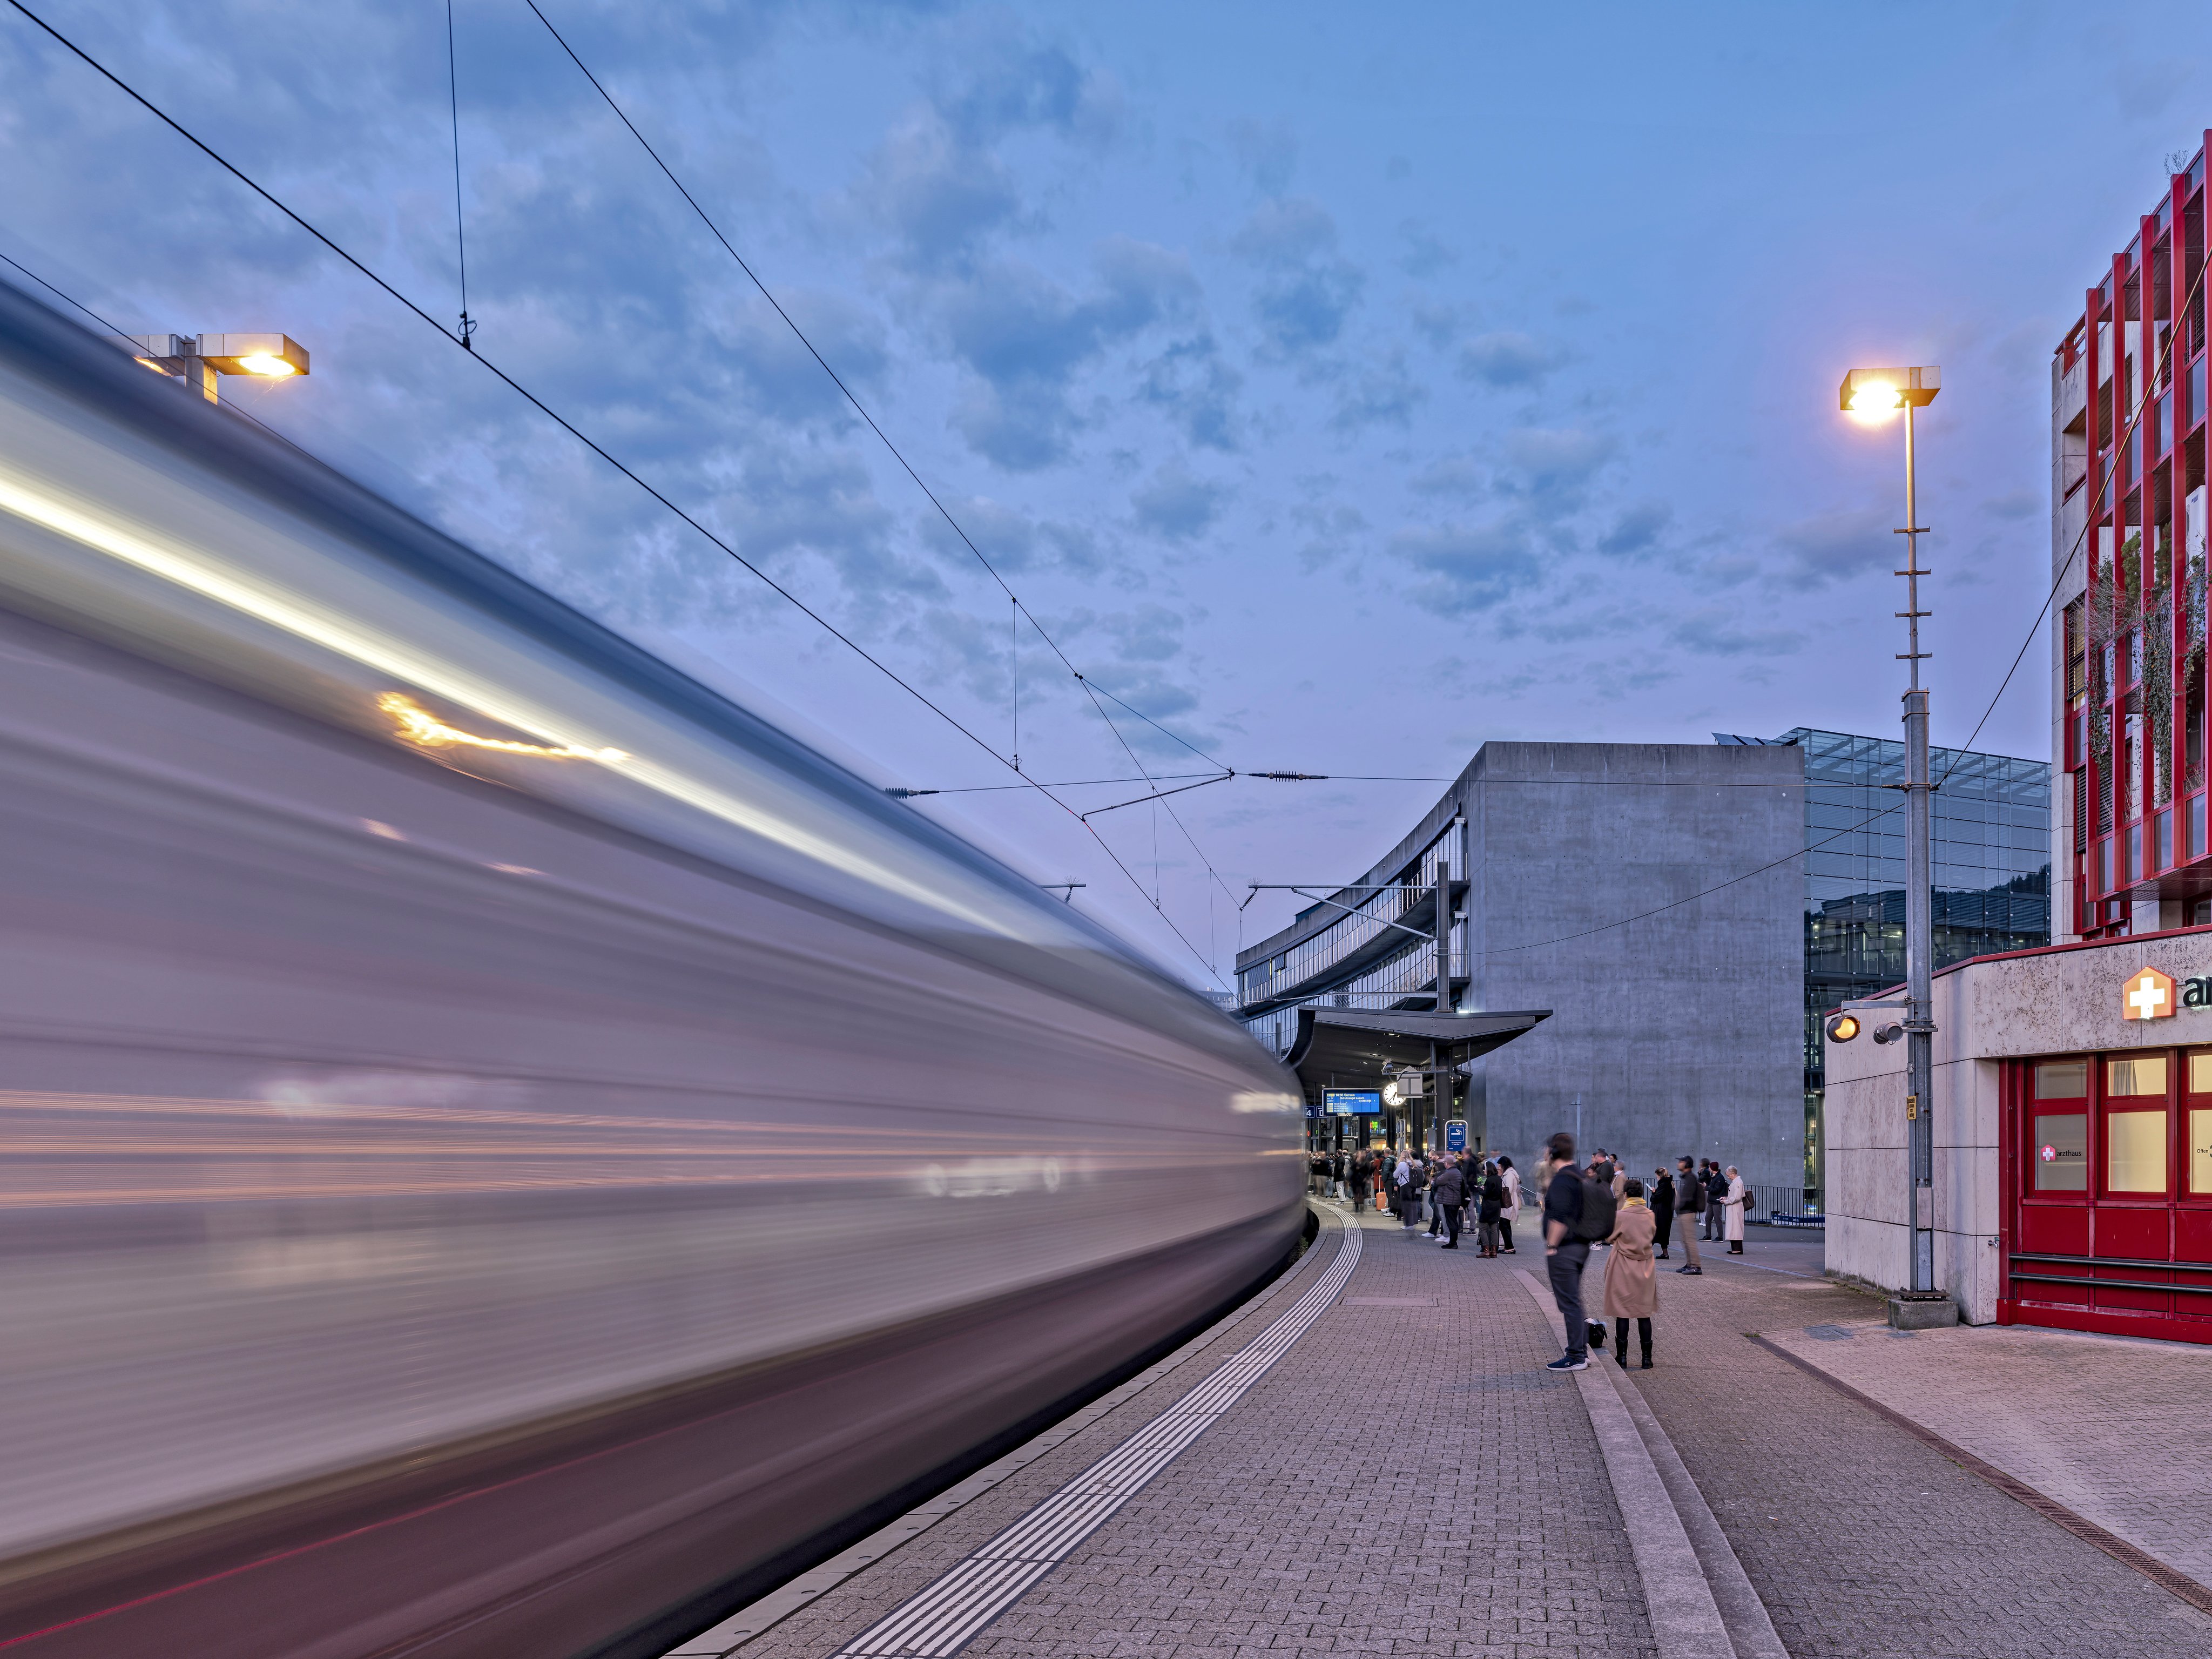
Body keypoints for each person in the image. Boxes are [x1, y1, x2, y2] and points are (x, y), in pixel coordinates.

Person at [1541, 1131, 1591, 1371]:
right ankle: (1581, 1351)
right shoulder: (1579, 1175)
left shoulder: (1563, 1180)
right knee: (1574, 1300)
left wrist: (1552, 1246)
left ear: (1553, 1151)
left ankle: (1576, 1356)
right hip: (1580, 1246)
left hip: (1565, 1249)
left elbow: (1560, 1217)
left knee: (1569, 1303)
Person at [1603, 1178, 1658, 1368]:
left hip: (1623, 1265)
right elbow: (1651, 1236)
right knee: (1644, 1313)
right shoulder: (1650, 1214)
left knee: (1622, 1312)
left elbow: (1610, 1237)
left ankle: (1622, 1358)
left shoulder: (1621, 1215)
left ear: (1625, 1195)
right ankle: (1647, 1359)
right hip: (1645, 1266)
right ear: (1641, 1195)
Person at [1673, 1157, 1704, 1274]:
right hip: (1683, 1212)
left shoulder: (1690, 1178)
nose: (1679, 1164)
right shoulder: (1686, 1178)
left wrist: (1680, 1205)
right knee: (1685, 1240)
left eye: (1681, 1162)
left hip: (1688, 1212)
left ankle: (1696, 1266)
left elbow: (1689, 1197)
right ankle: (1690, 1264)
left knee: (1689, 1240)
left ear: (1687, 1164)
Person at [1432, 1155, 1466, 1249]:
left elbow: (1439, 1181)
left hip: (1450, 1201)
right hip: (1455, 1200)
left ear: (1447, 1163)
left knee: (1451, 1222)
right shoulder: (1457, 1171)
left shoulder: (1450, 1172)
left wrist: (1434, 1181)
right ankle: (1453, 1242)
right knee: (1453, 1221)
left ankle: (1453, 1243)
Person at [1476, 1161, 1504, 1256]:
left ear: (1488, 1170)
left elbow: (1486, 1194)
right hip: (1497, 1206)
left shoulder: (1489, 1180)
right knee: (1494, 1229)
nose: (1484, 1171)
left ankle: (1486, 1250)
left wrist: (1479, 1189)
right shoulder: (1499, 1179)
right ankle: (1494, 1251)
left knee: (1483, 1228)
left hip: (1488, 1206)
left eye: (1485, 1169)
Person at [1650, 1164, 1676, 1260]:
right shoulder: (1669, 1184)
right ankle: (1665, 1254)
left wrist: (1654, 1193)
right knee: (1663, 1233)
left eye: (1657, 1176)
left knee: (1654, 1231)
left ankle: (1645, 1252)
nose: (1657, 1178)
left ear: (1660, 1176)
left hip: (1660, 1212)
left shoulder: (1664, 1185)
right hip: (1666, 1212)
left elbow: (1656, 1198)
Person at [1497, 1155, 1520, 1254]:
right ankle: (1508, 1246)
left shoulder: (1509, 1174)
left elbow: (1508, 1189)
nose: (1498, 1167)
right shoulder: (1510, 1173)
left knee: (1504, 1224)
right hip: (1509, 1201)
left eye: (1500, 1165)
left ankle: (1510, 1247)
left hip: (1508, 1202)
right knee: (1506, 1224)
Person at [1723, 1164, 1748, 1254]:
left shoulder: (1738, 1182)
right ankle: (1735, 1248)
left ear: (1733, 1174)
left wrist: (1727, 1201)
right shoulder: (1736, 1182)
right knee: (1733, 1227)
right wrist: (1726, 1198)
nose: (1728, 1177)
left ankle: (1738, 1249)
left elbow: (1737, 1197)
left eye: (1729, 1175)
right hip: (1734, 1208)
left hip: (1736, 1208)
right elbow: (1735, 1196)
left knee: (1736, 1228)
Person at [1704, 1161, 1728, 1242]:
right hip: (1711, 1201)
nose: (1709, 1169)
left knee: (1717, 1219)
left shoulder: (1720, 1178)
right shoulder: (1713, 1176)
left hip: (1717, 1201)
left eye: (1710, 1167)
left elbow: (1716, 1190)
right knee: (1708, 1218)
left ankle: (1720, 1237)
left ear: (1712, 1168)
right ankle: (1708, 1236)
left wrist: (1706, 1187)